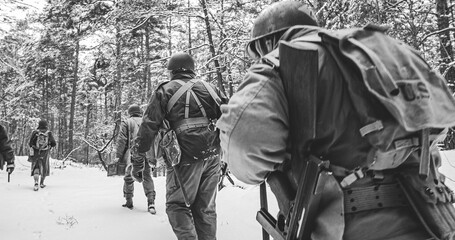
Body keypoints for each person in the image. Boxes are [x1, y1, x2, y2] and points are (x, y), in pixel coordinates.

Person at [216, 1, 453, 240]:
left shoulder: (280, 61)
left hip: (347, 227)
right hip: (433, 218)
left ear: (267, 41)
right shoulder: (377, 51)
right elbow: (438, 124)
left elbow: (243, 143)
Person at [131, 51, 228, 240]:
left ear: (171, 72)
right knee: (206, 209)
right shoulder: (211, 88)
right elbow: (231, 118)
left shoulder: (164, 90)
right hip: (213, 153)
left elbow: (148, 128)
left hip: (184, 156)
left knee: (177, 206)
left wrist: (137, 162)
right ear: (192, 70)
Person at [115, 104, 156, 214]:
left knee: (129, 177)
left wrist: (118, 156)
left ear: (130, 112)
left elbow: (121, 140)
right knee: (147, 176)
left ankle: (129, 201)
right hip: (147, 152)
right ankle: (151, 202)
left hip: (132, 154)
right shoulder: (146, 122)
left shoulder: (127, 122)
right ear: (140, 112)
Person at [29, 119, 56, 191]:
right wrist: (49, 145)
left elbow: (30, 143)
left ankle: (36, 182)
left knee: (36, 167)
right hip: (45, 153)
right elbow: (54, 143)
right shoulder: (48, 133)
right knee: (44, 167)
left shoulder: (35, 133)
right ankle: (42, 183)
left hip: (35, 152)